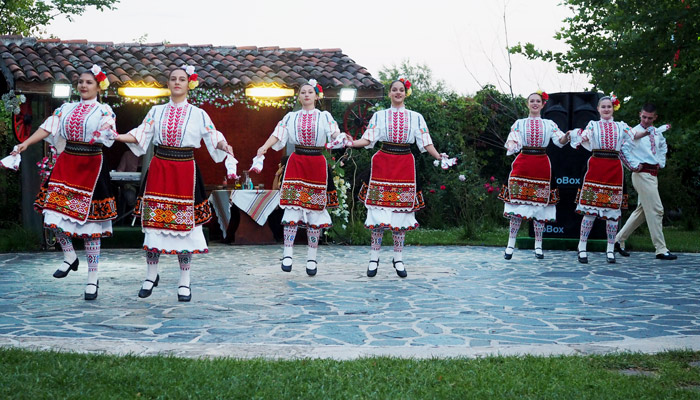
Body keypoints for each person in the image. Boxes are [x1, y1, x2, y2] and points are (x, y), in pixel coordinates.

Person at [115, 65, 234, 302]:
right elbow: (141, 134)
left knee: (186, 230)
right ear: (167, 84)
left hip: (185, 172)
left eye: (182, 79)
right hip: (160, 169)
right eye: (173, 79)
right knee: (154, 226)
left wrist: (224, 146)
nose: (177, 82)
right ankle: (151, 275)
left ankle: (184, 281)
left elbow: (213, 136)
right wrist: (117, 136)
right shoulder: (156, 111)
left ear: (189, 84)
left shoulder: (199, 114)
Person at [11, 65, 117, 300]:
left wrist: (105, 132)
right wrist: (25, 143)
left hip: (91, 166)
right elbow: (48, 127)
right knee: (52, 213)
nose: (83, 85)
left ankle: (92, 279)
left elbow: (109, 131)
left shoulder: (104, 111)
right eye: (80, 81)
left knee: (91, 228)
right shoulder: (66, 109)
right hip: (67, 163)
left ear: (99, 87)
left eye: (89, 82)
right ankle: (69, 256)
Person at [349, 78, 447, 278]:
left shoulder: (416, 117)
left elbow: (425, 141)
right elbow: (368, 139)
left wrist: (439, 156)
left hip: (404, 165)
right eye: (394, 90)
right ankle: (373, 258)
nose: (397, 93)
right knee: (378, 213)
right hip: (383, 163)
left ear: (406, 93)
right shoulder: (379, 116)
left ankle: (398, 257)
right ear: (390, 93)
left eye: (401, 90)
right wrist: (351, 143)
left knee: (400, 215)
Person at [256, 79, 345, 276]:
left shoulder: (324, 116)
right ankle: (288, 254)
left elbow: (335, 134)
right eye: (303, 92)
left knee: (315, 212)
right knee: (292, 208)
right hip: (297, 162)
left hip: (316, 164)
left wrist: (341, 139)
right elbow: (277, 135)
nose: (306, 95)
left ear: (316, 96)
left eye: (310, 92)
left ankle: (312, 258)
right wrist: (264, 147)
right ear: (299, 96)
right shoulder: (290, 117)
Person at [499, 91, 570, 260]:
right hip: (523, 164)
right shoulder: (520, 123)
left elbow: (559, 141)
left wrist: (566, 137)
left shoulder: (549, 124)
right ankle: (510, 244)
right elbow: (513, 139)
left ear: (543, 104)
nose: (535, 104)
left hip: (541, 165)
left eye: (538, 101)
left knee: (540, 208)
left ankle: (538, 245)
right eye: (532, 101)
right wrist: (511, 143)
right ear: (527, 104)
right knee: (517, 206)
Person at [570, 95, 638, 264]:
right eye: (603, 106)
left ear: (613, 108)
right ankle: (582, 246)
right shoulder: (593, 125)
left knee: (612, 213)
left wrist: (649, 130)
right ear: (598, 109)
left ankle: (609, 248)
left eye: (609, 106)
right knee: (590, 211)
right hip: (596, 167)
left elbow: (634, 135)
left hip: (614, 169)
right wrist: (583, 136)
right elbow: (585, 135)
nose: (606, 109)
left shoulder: (621, 126)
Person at [615, 104, 677, 260]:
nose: (646, 120)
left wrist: (660, 162)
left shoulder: (657, 132)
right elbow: (623, 150)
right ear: (639, 115)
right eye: (644, 117)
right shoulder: (634, 132)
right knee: (657, 209)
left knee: (642, 212)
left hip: (652, 174)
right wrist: (634, 166)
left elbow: (662, 146)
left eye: (650, 118)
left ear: (655, 117)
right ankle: (661, 249)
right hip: (642, 174)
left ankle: (618, 240)